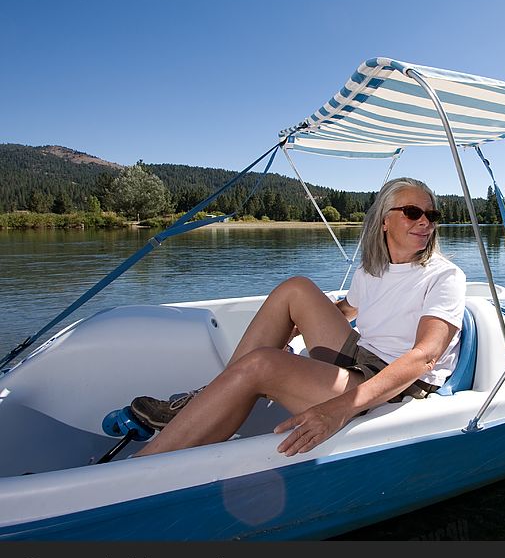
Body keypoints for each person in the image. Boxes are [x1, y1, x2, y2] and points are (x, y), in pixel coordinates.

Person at [132, 177, 466, 458]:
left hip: (395, 382)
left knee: (261, 364)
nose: (425, 222)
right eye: (412, 212)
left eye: (431, 214)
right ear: (384, 220)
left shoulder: (443, 276)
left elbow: (425, 356)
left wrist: (340, 409)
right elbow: (349, 310)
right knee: (296, 289)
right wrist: (294, 325)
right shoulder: (373, 270)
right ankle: (206, 399)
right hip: (362, 357)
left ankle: (138, 467)